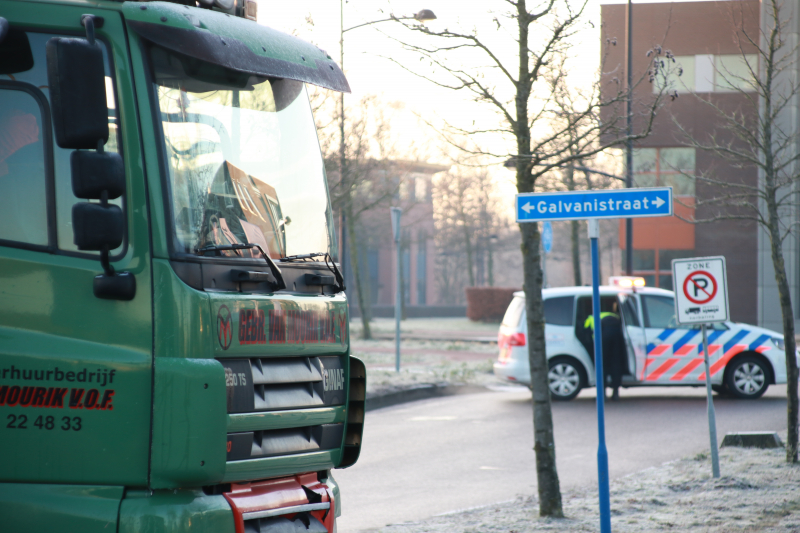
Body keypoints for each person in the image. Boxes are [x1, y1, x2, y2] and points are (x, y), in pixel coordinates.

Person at [583, 301, 625, 400]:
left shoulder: (590, 318)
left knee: (602, 367)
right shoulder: (616, 317)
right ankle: (615, 393)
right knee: (616, 365)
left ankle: (602, 395)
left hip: (602, 343)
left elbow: (585, 334)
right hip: (617, 340)